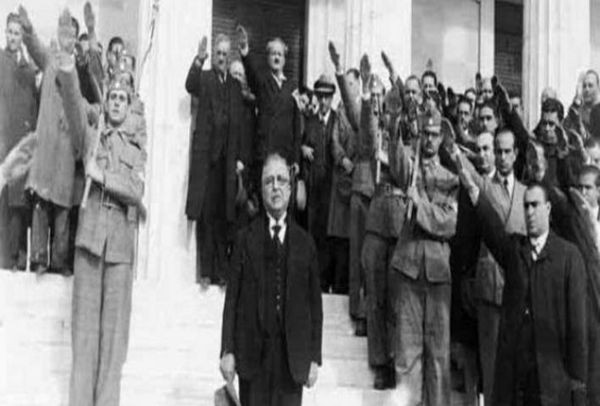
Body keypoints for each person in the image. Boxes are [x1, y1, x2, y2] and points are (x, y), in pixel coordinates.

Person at [56, 36, 146, 406]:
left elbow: (135, 189)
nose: (117, 103)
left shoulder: (136, 147)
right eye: (113, 98)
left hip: (120, 250)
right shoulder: (93, 137)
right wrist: (67, 70)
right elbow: (75, 112)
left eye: (123, 98)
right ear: (106, 102)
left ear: (130, 103)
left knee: (113, 346)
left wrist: (103, 176)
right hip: (90, 243)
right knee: (84, 339)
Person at [457, 165, 588, 405]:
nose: (529, 212)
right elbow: (493, 228)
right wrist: (473, 189)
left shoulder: (569, 257)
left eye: (535, 205)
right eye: (525, 206)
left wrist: (578, 385)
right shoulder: (515, 251)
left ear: (548, 209)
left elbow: (577, 327)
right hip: (517, 379)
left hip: (552, 380)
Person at [220, 152, 322, 406]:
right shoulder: (245, 239)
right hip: (252, 358)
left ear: (290, 188)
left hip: (292, 360)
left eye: (281, 180)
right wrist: (227, 350)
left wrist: (314, 358)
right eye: (268, 181)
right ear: (262, 188)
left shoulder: (306, 244)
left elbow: (315, 306)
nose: (275, 187)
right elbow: (231, 300)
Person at [389, 106, 458, 405]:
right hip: (408, 269)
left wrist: (419, 207)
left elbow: (449, 223)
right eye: (425, 134)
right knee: (407, 355)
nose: (429, 140)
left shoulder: (451, 179)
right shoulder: (410, 168)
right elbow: (396, 162)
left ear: (441, 137)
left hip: (438, 274)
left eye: (434, 134)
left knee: (438, 357)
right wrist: (396, 128)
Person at [455, 130, 527, 404]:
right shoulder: (483, 186)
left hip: (517, 289)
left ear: (516, 154)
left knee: (516, 367)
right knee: (491, 366)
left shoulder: (526, 193)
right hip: (489, 287)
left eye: (507, 151)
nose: (502, 157)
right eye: (498, 151)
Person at [19, 6, 80, 275]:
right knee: (41, 204)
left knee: (63, 210)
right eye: (64, 34)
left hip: (66, 151)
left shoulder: (78, 70)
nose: (67, 40)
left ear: (75, 40)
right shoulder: (50, 60)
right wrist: (28, 29)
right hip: (46, 148)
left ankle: (58, 262)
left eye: (72, 36)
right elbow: (34, 46)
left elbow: (88, 103)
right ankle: (39, 259)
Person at [184, 34, 247, 285]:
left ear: (229, 57)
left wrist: (240, 157)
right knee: (206, 215)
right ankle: (206, 272)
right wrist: (199, 60)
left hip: (227, 162)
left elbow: (240, 125)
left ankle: (222, 272)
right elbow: (189, 85)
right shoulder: (206, 78)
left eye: (225, 54)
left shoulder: (235, 86)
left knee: (225, 216)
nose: (221, 58)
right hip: (207, 161)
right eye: (218, 53)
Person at [328, 42, 370, 335]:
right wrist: (341, 71)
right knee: (352, 251)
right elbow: (340, 134)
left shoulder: (377, 116)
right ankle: (355, 309)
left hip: (373, 192)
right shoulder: (351, 112)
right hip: (353, 184)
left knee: (368, 256)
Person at [0, 12, 38, 269]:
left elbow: (32, 107)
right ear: (5, 33)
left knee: (19, 205)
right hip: (2, 142)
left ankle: (17, 260)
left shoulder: (28, 69)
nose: (13, 37)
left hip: (20, 144)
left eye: (17, 33)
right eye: (10, 32)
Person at [237, 25, 301, 170]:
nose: (276, 57)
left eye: (280, 54)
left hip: (285, 157)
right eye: (273, 54)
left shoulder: (292, 87)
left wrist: (296, 160)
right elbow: (252, 74)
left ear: (284, 59)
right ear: (268, 58)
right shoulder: (262, 81)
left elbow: (296, 126)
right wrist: (245, 52)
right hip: (265, 154)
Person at [300, 74, 341, 292]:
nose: (324, 101)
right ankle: (314, 280)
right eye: (321, 97)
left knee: (330, 234)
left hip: (333, 188)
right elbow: (299, 141)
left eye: (327, 97)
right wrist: (302, 148)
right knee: (313, 231)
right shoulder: (310, 122)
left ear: (332, 98)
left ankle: (328, 281)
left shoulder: (338, 120)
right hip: (314, 186)